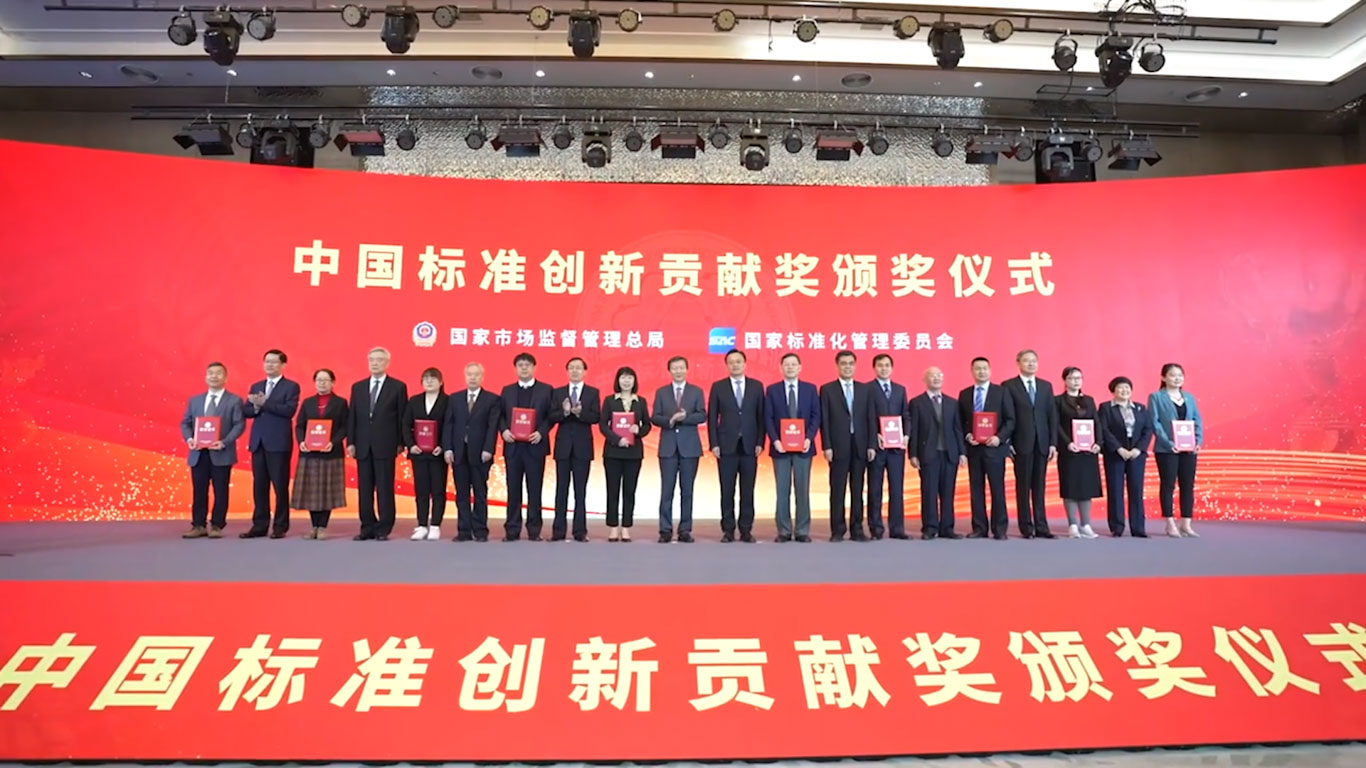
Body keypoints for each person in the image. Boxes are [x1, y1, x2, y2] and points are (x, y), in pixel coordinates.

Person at [347, 347, 408, 541]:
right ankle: (367, 527)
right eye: (372, 359)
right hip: (362, 445)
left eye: (379, 360)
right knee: (364, 489)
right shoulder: (358, 387)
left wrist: (401, 442)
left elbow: (402, 417)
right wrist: (351, 441)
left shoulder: (398, 387)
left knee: (384, 488)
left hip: (386, 444)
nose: (375, 363)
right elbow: (352, 416)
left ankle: (384, 527)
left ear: (387, 363)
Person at [179, 361, 244, 539]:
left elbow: (239, 425)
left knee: (220, 491)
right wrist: (190, 439)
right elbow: (185, 423)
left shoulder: (234, 400)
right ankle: (198, 525)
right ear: (205, 377)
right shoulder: (195, 400)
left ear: (225, 378)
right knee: (199, 490)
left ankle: (217, 525)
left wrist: (224, 442)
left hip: (221, 452)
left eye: (218, 373)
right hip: (198, 453)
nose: (214, 376)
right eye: (210, 373)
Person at [241, 349, 301, 539]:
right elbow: (246, 411)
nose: (269, 365)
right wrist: (255, 406)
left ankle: (280, 526)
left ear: (283, 365)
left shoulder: (291, 386)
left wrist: (263, 403)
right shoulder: (256, 385)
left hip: (278, 442)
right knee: (259, 485)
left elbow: (289, 410)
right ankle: (259, 525)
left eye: (274, 362)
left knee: (280, 486)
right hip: (258, 442)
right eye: (267, 361)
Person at [707, 349, 766, 543]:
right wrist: (714, 443)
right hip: (726, 446)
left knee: (747, 490)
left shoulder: (756, 386)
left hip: (750, 446)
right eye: (731, 362)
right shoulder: (718, 387)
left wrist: (760, 441)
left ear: (745, 364)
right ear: (727, 365)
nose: (735, 365)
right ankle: (728, 529)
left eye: (738, 361)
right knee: (727, 490)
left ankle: (746, 529)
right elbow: (712, 417)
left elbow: (761, 416)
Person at [819, 350, 876, 542]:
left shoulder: (865, 389)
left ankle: (857, 529)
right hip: (838, 446)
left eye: (851, 363)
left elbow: (871, 418)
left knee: (858, 490)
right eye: (843, 363)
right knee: (838, 489)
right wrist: (827, 445)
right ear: (837, 366)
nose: (847, 367)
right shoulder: (827, 389)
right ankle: (837, 530)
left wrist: (871, 445)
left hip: (860, 446)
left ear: (855, 365)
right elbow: (825, 420)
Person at [1002, 349, 1058, 538]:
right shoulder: (1009, 386)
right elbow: (1007, 416)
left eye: (1034, 360)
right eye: (1026, 360)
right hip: (1021, 443)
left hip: (1042, 443)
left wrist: (1053, 443)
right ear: (1018, 363)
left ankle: (1042, 526)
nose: (1031, 364)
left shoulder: (1045, 386)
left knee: (1040, 487)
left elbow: (1052, 416)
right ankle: (1026, 527)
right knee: (1023, 486)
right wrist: (1008, 441)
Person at [958, 357, 1016, 540]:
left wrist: (999, 437)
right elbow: (960, 422)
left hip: (995, 449)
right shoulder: (965, 394)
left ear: (990, 371)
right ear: (971, 371)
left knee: (997, 489)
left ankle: (1000, 528)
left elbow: (1010, 420)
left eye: (984, 368)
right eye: (977, 368)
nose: (981, 372)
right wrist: (968, 435)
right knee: (976, 489)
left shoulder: (1002, 392)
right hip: (974, 449)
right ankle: (979, 527)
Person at [499, 352, 555, 542]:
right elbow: (500, 415)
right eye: (520, 365)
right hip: (513, 447)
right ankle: (512, 530)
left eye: (527, 365)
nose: (524, 368)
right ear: (515, 368)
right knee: (513, 489)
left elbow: (551, 416)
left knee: (535, 489)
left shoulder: (546, 389)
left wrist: (541, 432)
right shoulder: (507, 390)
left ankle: (534, 530)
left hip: (535, 446)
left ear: (534, 368)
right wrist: (504, 430)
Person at [651, 356, 706, 543]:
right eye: (674, 368)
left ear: (687, 369)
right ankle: (665, 530)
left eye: (681, 367)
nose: (678, 371)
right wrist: (670, 420)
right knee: (667, 491)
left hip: (690, 448)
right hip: (668, 447)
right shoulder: (661, 392)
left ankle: (685, 530)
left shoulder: (696, 391)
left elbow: (702, 415)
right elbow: (655, 417)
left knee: (687, 491)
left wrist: (685, 418)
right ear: (669, 371)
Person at [766, 353, 820, 542]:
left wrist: (809, 438)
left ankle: (802, 530)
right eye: (786, 364)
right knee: (782, 490)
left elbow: (816, 416)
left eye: (793, 364)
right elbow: (768, 418)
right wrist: (775, 440)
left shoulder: (810, 389)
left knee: (802, 489)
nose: (790, 367)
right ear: (781, 368)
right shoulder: (772, 390)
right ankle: (783, 530)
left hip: (804, 448)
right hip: (780, 448)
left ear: (800, 367)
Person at [907, 366, 966, 540]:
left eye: (939, 375)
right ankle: (930, 527)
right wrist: (913, 454)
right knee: (929, 492)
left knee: (948, 493)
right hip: (928, 453)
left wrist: (962, 453)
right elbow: (914, 430)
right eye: (932, 376)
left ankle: (947, 527)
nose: (936, 378)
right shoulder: (917, 402)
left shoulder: (952, 403)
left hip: (950, 453)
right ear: (924, 380)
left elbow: (958, 429)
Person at [443, 362, 500, 542]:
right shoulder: (455, 398)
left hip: (480, 453)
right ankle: (464, 530)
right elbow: (448, 425)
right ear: (465, 377)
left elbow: (492, 427)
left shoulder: (492, 399)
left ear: (482, 377)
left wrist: (488, 449)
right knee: (461, 494)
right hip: (459, 453)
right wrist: (448, 448)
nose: (473, 378)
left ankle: (480, 530)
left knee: (480, 493)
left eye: (476, 375)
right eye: (470, 375)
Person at [1148, 363, 1204, 538]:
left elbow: (1197, 420)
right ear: (1163, 378)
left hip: (1189, 449)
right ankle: (1170, 523)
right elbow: (1154, 422)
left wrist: (1198, 441)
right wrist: (1168, 442)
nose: (1177, 378)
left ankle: (1186, 523)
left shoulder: (1189, 397)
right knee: (1168, 484)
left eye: (1180, 375)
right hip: (1167, 449)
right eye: (1172, 375)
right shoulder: (1156, 397)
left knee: (1187, 485)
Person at [292, 368, 348, 540]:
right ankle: (314, 526)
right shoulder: (308, 402)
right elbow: (300, 425)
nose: (322, 383)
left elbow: (345, 427)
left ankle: (323, 526)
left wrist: (333, 442)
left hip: (330, 452)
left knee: (326, 490)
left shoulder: (340, 403)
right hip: (310, 453)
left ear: (333, 382)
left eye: (325, 380)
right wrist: (301, 442)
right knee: (312, 491)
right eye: (319, 380)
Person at [549, 357, 601, 542]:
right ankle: (558, 531)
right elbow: (551, 416)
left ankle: (580, 532)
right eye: (571, 368)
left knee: (580, 491)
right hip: (563, 446)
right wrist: (564, 412)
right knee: (561, 490)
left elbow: (596, 417)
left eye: (579, 368)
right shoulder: (558, 392)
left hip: (582, 447)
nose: (575, 371)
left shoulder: (592, 392)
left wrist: (580, 413)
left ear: (585, 371)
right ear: (567, 371)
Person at [600, 366, 651, 542]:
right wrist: (617, 439)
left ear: (634, 381)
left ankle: (627, 527)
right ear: (618, 380)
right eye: (623, 377)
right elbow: (603, 425)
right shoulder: (609, 400)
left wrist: (639, 430)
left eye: (630, 378)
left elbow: (647, 425)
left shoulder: (641, 401)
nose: (626, 381)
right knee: (612, 490)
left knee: (629, 491)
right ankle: (613, 527)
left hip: (633, 453)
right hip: (613, 452)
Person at [1100, 376, 1154, 538]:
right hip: (1115, 454)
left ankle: (1138, 528)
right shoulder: (1106, 408)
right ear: (1113, 390)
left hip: (1136, 454)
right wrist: (1118, 448)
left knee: (1136, 490)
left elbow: (1148, 430)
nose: (1124, 390)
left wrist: (1139, 449)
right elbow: (1104, 429)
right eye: (1120, 387)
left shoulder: (1140, 408)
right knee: (1115, 490)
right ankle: (1117, 527)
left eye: (1127, 387)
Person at [1056, 366, 1104, 539]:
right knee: (1070, 487)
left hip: (1088, 451)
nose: (1075, 381)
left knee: (1086, 488)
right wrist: (1067, 443)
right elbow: (1056, 425)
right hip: (1069, 451)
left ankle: (1086, 525)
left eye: (1078, 378)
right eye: (1071, 378)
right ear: (1065, 381)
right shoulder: (1058, 401)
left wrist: (1098, 443)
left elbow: (1096, 422)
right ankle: (1073, 525)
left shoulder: (1089, 400)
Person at [402, 367, 449, 541]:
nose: (429, 381)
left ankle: (435, 525)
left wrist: (443, 446)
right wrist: (411, 445)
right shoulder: (414, 401)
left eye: (433, 378)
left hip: (438, 454)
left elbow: (450, 426)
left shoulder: (448, 401)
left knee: (438, 490)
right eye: (426, 378)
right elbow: (406, 425)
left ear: (441, 382)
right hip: (419, 453)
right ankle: (421, 525)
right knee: (421, 491)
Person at [867, 354, 910, 540]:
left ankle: (897, 528)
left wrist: (906, 435)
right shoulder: (867, 389)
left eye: (887, 365)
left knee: (897, 489)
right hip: (877, 448)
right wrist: (873, 435)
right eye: (880, 365)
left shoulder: (900, 390)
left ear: (892, 368)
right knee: (875, 489)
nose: (883, 368)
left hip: (896, 449)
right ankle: (876, 529)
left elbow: (906, 415)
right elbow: (866, 417)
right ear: (874, 368)